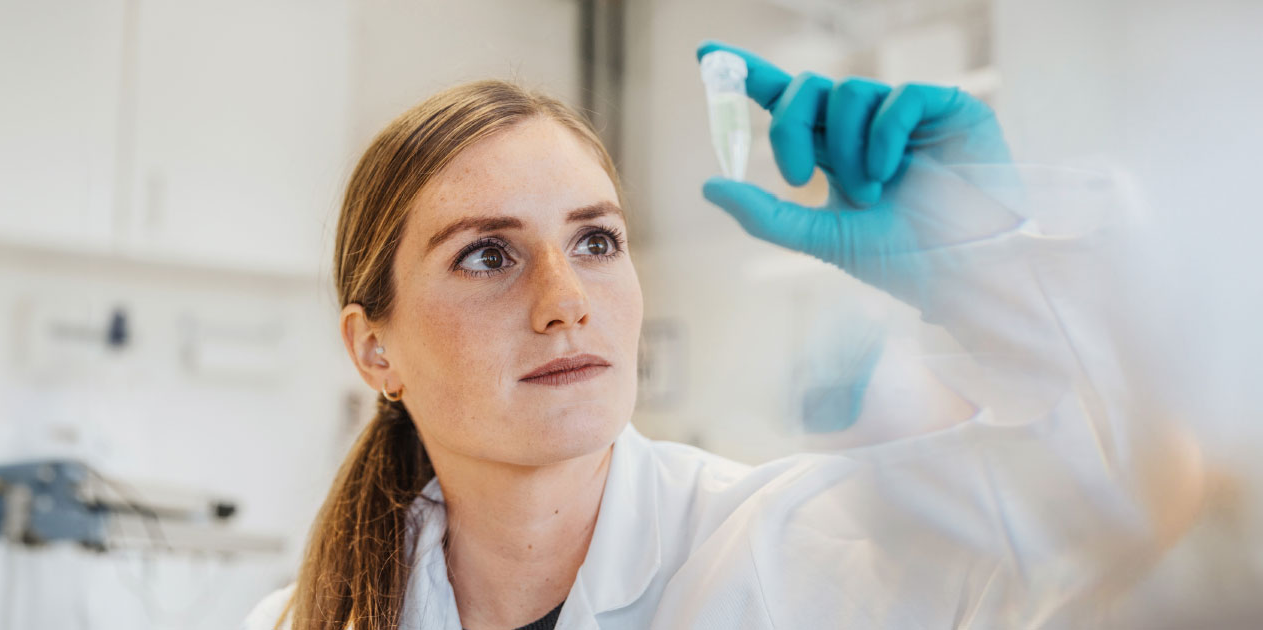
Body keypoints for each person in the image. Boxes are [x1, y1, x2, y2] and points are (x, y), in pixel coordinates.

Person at [242, 41, 1202, 630]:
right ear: (374, 349)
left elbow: (1132, 517)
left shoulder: (804, 552)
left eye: (596, 240)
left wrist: (995, 269)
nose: (566, 299)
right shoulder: (301, 619)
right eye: (488, 256)